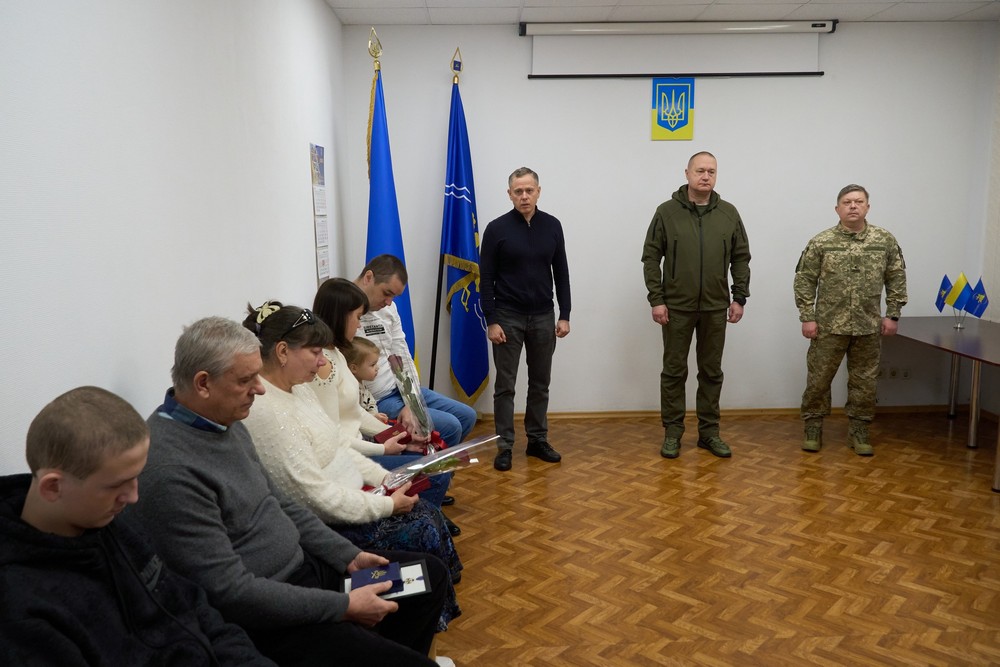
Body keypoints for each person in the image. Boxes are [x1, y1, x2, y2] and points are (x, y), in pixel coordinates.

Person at [131, 316, 449, 667]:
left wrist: (348, 557)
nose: (261, 388)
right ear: (203, 383)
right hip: (280, 615)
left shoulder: (223, 423)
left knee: (426, 577)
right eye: (246, 379)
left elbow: (279, 502)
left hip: (315, 575)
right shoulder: (170, 470)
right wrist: (343, 607)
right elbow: (230, 593)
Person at [0, 386, 273, 666]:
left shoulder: (105, 523)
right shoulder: (20, 607)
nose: (133, 497)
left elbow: (192, 605)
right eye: (117, 485)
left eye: (135, 478)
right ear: (53, 486)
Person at [239, 300, 464, 609]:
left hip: (348, 500)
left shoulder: (299, 388)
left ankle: (421, 623)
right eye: (315, 353)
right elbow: (309, 496)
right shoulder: (265, 410)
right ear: (282, 352)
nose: (321, 363)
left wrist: (388, 478)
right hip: (323, 529)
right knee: (421, 536)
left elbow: (338, 446)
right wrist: (385, 504)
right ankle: (399, 617)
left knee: (426, 513)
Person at [311, 279, 459, 536]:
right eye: (357, 317)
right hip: (349, 458)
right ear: (339, 315)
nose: (359, 324)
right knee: (435, 472)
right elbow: (332, 437)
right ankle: (414, 528)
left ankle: (420, 519)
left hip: (362, 445)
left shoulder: (336, 354)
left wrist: (397, 436)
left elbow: (354, 412)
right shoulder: (323, 364)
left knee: (429, 450)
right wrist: (384, 447)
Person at [641, 151, 752, 460]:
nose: (706, 176)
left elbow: (741, 257)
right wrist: (657, 299)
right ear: (687, 173)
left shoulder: (728, 213)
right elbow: (651, 257)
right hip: (676, 307)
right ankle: (673, 433)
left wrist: (739, 296)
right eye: (700, 170)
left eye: (711, 171)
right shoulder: (666, 212)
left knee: (711, 371)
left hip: (716, 307)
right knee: (674, 371)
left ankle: (709, 433)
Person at [793, 184, 908, 456]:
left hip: (868, 326)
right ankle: (813, 427)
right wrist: (807, 317)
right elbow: (804, 281)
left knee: (865, 382)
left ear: (867, 207)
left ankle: (859, 430)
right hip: (828, 326)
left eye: (858, 201)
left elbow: (897, 278)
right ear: (837, 209)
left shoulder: (884, 241)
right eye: (847, 202)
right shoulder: (821, 242)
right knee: (819, 380)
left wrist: (892, 314)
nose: (853, 206)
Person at [480, 167, 572, 472]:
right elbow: (486, 278)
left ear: (538, 191)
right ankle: (504, 445)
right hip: (507, 317)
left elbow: (561, 272)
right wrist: (491, 320)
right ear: (509, 194)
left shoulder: (552, 226)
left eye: (529, 190)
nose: (524, 196)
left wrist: (565, 314)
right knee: (505, 386)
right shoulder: (496, 229)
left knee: (540, 383)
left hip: (544, 316)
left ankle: (537, 440)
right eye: (518, 191)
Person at [353, 254, 477, 448]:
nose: (389, 301)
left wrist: (411, 403)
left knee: (467, 416)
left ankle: (430, 467)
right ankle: (429, 472)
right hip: (378, 400)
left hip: (401, 389)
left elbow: (401, 355)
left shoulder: (389, 308)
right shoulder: (345, 308)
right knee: (451, 426)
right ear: (369, 278)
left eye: (393, 296)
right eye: (386, 293)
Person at [346, 337, 390, 425]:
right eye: (373, 365)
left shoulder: (362, 385)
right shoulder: (351, 390)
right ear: (354, 368)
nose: (377, 368)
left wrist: (375, 415)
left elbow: (370, 405)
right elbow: (356, 416)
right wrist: (373, 417)